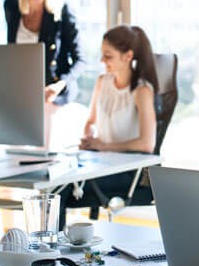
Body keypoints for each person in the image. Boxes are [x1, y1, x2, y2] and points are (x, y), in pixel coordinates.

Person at [59, 25, 159, 227]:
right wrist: (88, 139)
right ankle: (49, 248)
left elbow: (147, 144)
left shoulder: (141, 91)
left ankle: (49, 251)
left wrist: (103, 146)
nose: (102, 61)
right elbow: (90, 122)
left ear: (128, 56)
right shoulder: (102, 82)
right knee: (54, 182)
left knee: (60, 190)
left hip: (127, 172)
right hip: (99, 165)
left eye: (108, 56)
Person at [4, 0, 86, 107]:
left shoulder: (62, 12)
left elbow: (80, 60)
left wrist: (60, 84)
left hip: (53, 93)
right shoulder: (11, 7)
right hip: (21, 89)